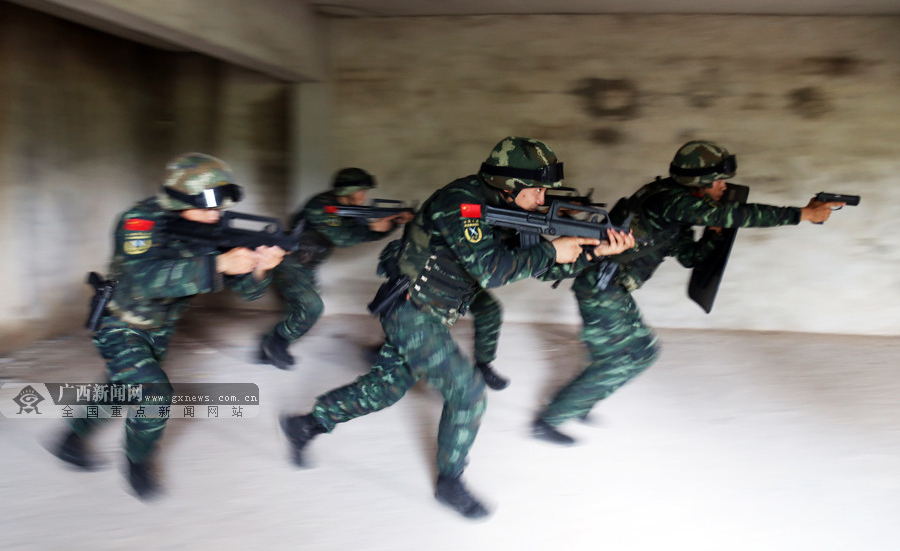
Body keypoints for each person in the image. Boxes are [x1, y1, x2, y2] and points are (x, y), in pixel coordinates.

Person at [279, 136, 634, 519]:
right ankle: (450, 482)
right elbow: (492, 270)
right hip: (411, 308)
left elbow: (542, 265)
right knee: (468, 393)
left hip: (435, 312)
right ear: (510, 184)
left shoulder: (504, 207)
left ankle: (306, 424)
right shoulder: (461, 203)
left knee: (385, 388)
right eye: (535, 190)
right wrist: (552, 248)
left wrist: (593, 251)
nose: (542, 198)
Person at [531, 140, 843, 446]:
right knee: (636, 354)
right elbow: (737, 214)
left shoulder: (673, 207)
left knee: (608, 352)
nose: (722, 187)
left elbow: (689, 255)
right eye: (718, 181)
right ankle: (550, 419)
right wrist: (803, 214)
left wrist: (714, 236)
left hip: (608, 284)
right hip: (601, 286)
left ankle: (581, 402)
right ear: (699, 181)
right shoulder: (669, 200)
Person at [52, 153, 286, 498]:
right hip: (122, 323)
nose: (215, 216)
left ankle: (71, 440)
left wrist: (261, 266)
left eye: (219, 208)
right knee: (153, 394)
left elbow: (249, 293)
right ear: (178, 201)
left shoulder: (213, 229)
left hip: (160, 329)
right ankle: (138, 461)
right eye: (207, 208)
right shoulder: (140, 221)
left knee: (118, 389)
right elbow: (143, 279)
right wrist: (218, 262)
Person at [257, 168, 413, 369]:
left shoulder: (347, 210)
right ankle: (274, 344)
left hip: (306, 266)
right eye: (361, 191)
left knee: (302, 310)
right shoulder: (321, 206)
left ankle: (269, 346)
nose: (364, 196)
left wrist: (391, 224)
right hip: (288, 263)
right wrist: (374, 227)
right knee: (311, 307)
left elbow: (363, 233)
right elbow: (342, 237)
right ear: (348, 190)